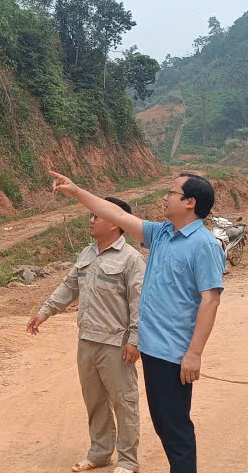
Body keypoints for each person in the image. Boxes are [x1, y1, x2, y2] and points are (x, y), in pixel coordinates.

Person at [49, 171, 224, 473]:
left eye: (171, 192)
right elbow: (116, 214)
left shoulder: (203, 245)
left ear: (190, 202)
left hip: (174, 352)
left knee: (175, 427)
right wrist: (76, 191)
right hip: (153, 349)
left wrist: (194, 353)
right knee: (164, 423)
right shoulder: (162, 234)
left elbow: (211, 300)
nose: (165, 198)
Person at [28, 196, 145, 473]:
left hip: (116, 344)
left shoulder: (131, 259)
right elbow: (69, 286)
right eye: (91, 215)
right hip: (87, 341)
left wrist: (135, 340)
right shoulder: (87, 253)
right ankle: (100, 453)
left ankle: (128, 461)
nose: (91, 220)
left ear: (115, 223)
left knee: (124, 401)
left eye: (96, 216)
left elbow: (140, 304)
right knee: (95, 401)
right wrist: (44, 312)